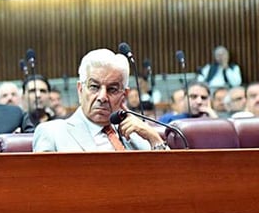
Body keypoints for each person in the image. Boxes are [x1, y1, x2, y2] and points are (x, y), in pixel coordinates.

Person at [33, 48, 168, 152]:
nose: (102, 97)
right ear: (80, 89)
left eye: (112, 89)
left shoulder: (136, 133)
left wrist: (154, 138)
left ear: (124, 95)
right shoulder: (52, 133)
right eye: (94, 87)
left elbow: (172, 178)